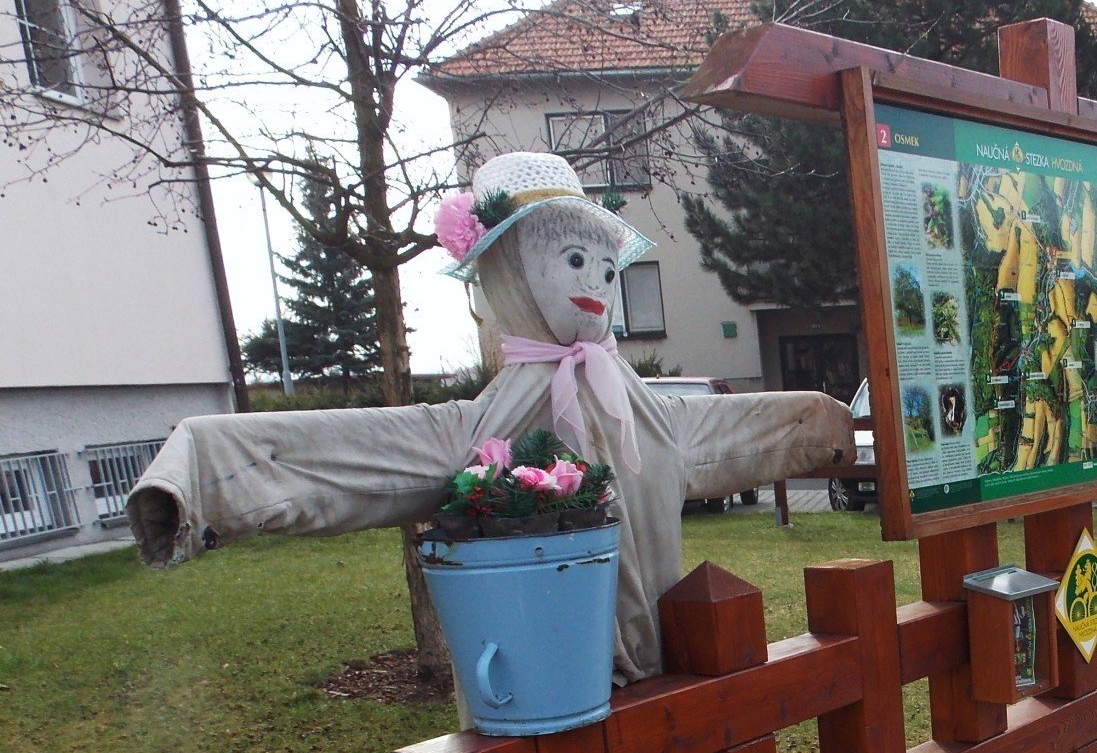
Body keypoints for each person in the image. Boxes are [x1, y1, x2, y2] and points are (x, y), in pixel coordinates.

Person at [129, 152, 850, 681]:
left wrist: (825, 425)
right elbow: (352, 455)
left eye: (605, 268)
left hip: (661, 671)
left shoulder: (639, 406)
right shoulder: (482, 428)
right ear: (509, 269)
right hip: (548, 682)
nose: (597, 285)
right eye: (572, 260)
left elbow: (724, 434)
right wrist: (199, 478)